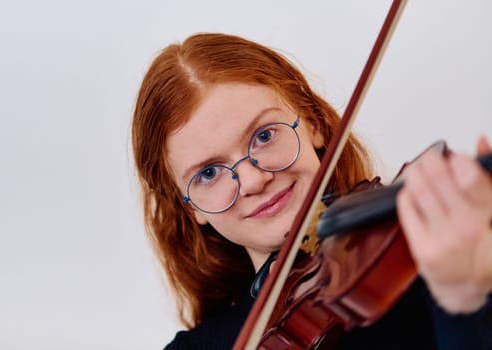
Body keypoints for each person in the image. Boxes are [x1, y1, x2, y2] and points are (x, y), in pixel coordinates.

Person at [131, 33, 492, 349]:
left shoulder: (438, 266)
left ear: (314, 124)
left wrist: (463, 301)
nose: (255, 181)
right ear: (191, 208)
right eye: (209, 173)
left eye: (264, 136)